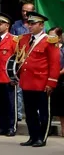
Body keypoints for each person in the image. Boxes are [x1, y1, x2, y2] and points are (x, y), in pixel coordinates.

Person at [17, 11, 59, 147]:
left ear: (41, 25)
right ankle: (33, 136)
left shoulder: (49, 40)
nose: (30, 26)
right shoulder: (23, 39)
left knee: (43, 113)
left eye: (33, 23)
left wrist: (51, 82)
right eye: (29, 23)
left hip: (41, 82)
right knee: (29, 113)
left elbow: (54, 63)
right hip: (27, 81)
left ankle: (42, 137)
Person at [11, 3, 34, 121]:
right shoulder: (16, 25)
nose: (25, 13)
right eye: (23, 11)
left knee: (33, 89)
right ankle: (18, 114)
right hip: (20, 61)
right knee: (19, 89)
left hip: (33, 61)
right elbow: (13, 42)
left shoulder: (38, 25)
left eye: (27, 11)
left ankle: (35, 114)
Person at [50, 27, 64, 137]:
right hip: (49, 81)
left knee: (62, 109)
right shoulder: (47, 48)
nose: (50, 38)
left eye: (53, 36)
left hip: (61, 81)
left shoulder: (62, 49)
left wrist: (56, 74)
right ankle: (47, 128)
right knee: (48, 107)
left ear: (59, 38)